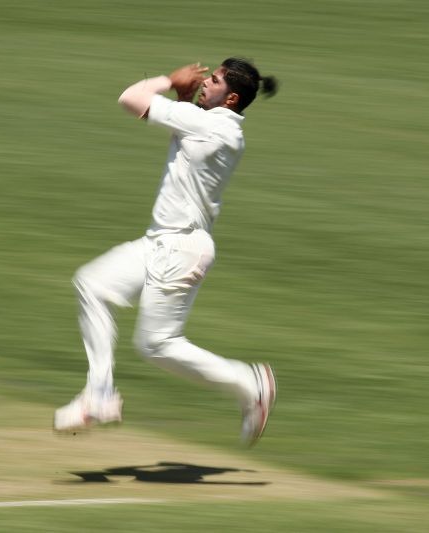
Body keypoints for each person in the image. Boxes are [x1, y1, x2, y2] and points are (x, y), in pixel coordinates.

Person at [53, 58, 279, 447]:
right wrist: (185, 96)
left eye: (216, 80)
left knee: (157, 345)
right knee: (92, 284)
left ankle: (250, 383)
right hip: (160, 241)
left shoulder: (213, 125)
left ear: (232, 98)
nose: (207, 81)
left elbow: (130, 98)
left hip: (181, 248)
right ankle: (100, 394)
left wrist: (169, 80)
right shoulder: (211, 121)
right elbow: (182, 121)